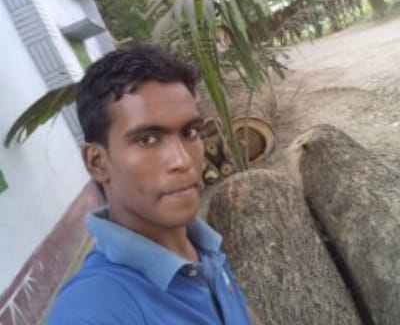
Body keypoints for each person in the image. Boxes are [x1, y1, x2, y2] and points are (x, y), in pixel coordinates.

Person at [45, 45, 262, 325]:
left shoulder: (203, 246)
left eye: (190, 132)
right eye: (147, 139)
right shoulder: (93, 310)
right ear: (97, 162)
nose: (183, 160)